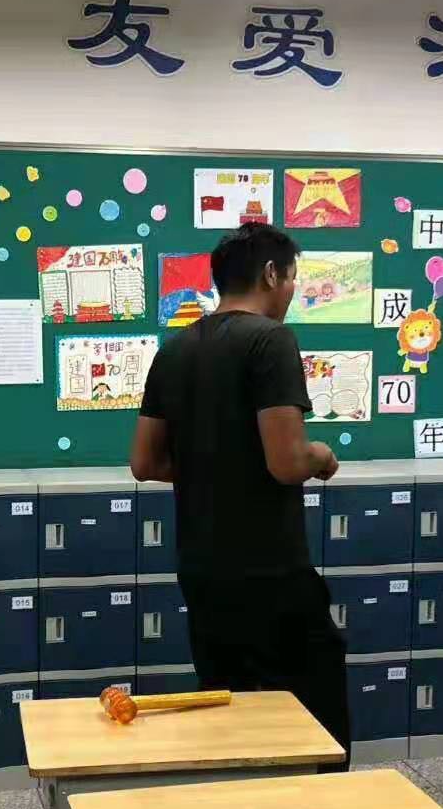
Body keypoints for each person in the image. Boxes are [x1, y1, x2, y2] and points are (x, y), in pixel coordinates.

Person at [129, 222, 349, 762]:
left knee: (229, 718)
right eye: (293, 278)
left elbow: (145, 462)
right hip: (270, 571)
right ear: (271, 274)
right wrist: (321, 458)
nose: (293, 291)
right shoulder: (271, 340)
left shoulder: (176, 349)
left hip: (203, 572)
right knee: (314, 724)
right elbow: (286, 461)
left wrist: (217, 465)